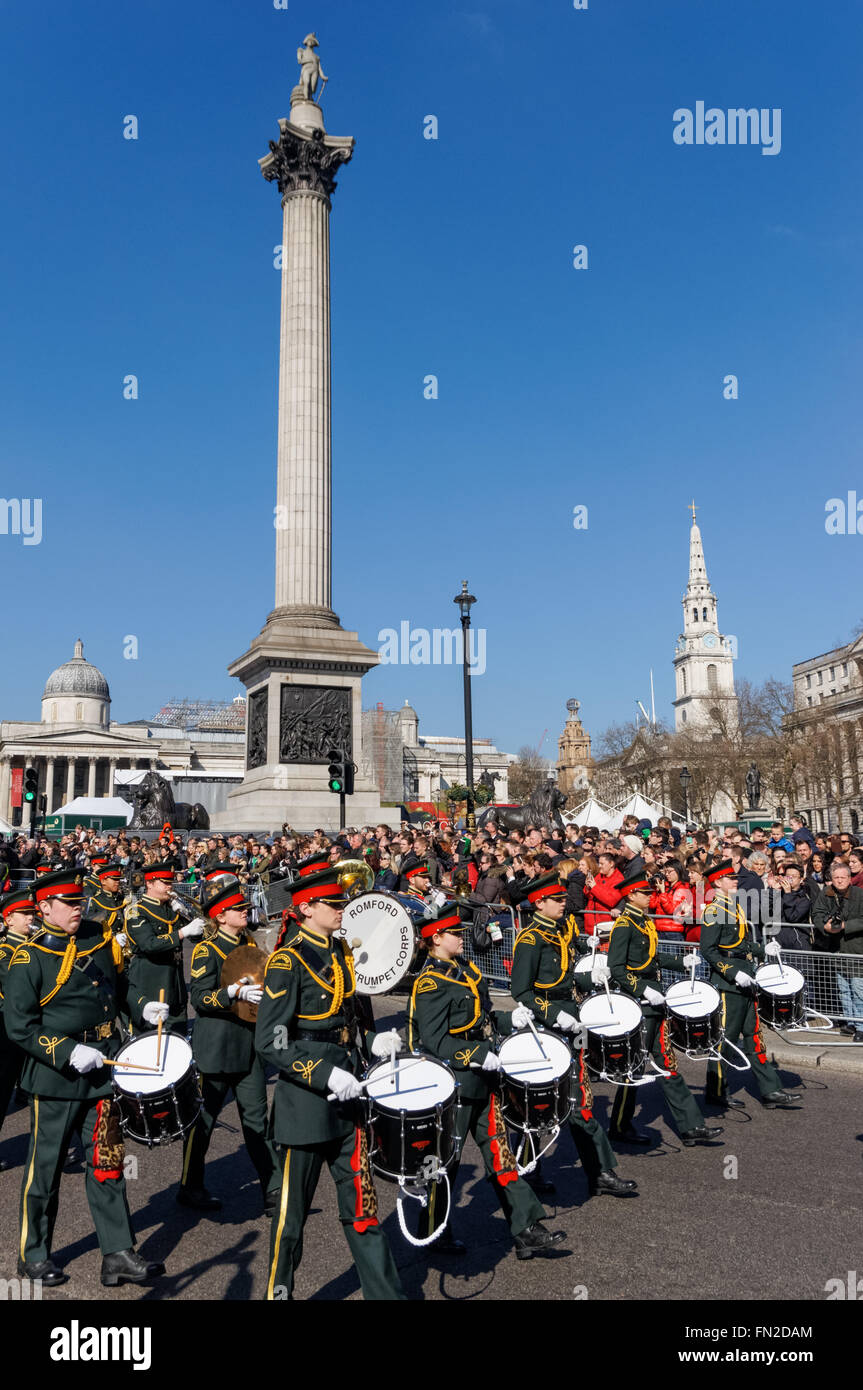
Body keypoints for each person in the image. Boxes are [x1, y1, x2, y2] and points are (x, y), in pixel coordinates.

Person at [3, 868, 169, 1287]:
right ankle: (34, 1253)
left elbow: (117, 986)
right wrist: (65, 1050)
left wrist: (143, 1006)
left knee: (108, 1164)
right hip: (56, 1076)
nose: (80, 909)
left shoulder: (94, 937)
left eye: (80, 902)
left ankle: (117, 1253)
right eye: (69, 903)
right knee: (45, 1169)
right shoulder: (29, 955)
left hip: (103, 1069)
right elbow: (19, 1025)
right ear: (44, 908)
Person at [255, 866, 406, 1301]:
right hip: (304, 1105)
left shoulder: (339, 952)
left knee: (364, 1209)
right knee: (290, 1218)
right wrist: (324, 1074)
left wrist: (374, 1042)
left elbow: (348, 1023)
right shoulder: (288, 960)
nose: (342, 910)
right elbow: (271, 1041)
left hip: (347, 1102)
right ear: (305, 908)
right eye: (333, 904)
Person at [407, 900, 568, 1257]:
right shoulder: (431, 983)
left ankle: (526, 1228)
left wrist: (514, 1020)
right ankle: (433, 1230)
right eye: (456, 933)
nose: (463, 937)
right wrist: (479, 1055)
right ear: (436, 938)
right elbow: (434, 1041)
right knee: (445, 1161)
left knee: (501, 1154)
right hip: (455, 1083)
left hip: (483, 1080)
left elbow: (486, 1018)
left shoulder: (464, 970)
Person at [510, 872, 638, 1198]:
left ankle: (600, 1173)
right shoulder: (530, 939)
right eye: (558, 898)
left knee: (580, 1101)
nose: (565, 902)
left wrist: (588, 980)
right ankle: (528, 1172)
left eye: (564, 897)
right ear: (540, 903)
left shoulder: (557, 932)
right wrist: (554, 1015)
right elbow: (521, 991)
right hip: (545, 1026)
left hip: (571, 1022)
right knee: (534, 1105)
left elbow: (564, 980)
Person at [178, 880, 280, 1215]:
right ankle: (190, 1186)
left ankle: (274, 1189)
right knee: (203, 1121)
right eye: (238, 909)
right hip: (218, 1046)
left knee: (257, 1120)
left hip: (248, 1045)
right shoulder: (208, 949)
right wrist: (231, 994)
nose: (245, 911)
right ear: (221, 917)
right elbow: (200, 998)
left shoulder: (249, 943)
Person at [606, 864, 722, 1147]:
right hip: (639, 1004)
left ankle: (691, 1126)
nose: (650, 896)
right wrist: (642, 988)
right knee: (633, 1067)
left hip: (655, 1001)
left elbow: (652, 957)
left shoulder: (644, 921)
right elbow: (616, 969)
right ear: (632, 896)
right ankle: (619, 1125)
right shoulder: (624, 925)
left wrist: (680, 962)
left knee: (667, 1063)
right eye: (644, 893)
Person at [700, 860, 802, 1110]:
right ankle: (716, 1090)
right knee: (726, 1040)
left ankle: (770, 1090)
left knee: (755, 1037)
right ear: (717, 883)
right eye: (731, 879)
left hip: (747, 979)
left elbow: (742, 945)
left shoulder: (734, 907)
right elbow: (709, 951)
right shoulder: (714, 910)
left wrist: (762, 949)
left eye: (735, 878)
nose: (736, 881)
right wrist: (733, 973)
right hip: (729, 984)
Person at [125, 862, 203, 1034]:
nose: (170, 887)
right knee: (150, 1034)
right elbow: (149, 944)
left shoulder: (172, 908)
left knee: (178, 1031)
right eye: (165, 883)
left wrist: (187, 914)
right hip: (151, 979)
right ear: (149, 883)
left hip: (175, 980)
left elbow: (199, 936)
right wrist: (182, 932)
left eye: (171, 883)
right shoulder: (137, 910)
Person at [0, 888, 39, 1170]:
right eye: (24, 914)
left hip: (31, 1027)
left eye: (31, 913)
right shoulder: (5, 950)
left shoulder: (34, 945)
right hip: (6, 1030)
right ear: (8, 919)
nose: (30, 919)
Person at [811, 860, 863, 1039]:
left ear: (849, 878)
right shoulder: (826, 893)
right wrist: (824, 926)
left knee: (858, 990)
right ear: (831, 879)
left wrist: (845, 926)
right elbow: (816, 913)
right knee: (843, 989)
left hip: (856, 949)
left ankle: (861, 1025)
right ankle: (849, 1022)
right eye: (836, 877)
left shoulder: (859, 894)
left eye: (843, 877)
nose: (839, 881)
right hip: (836, 948)